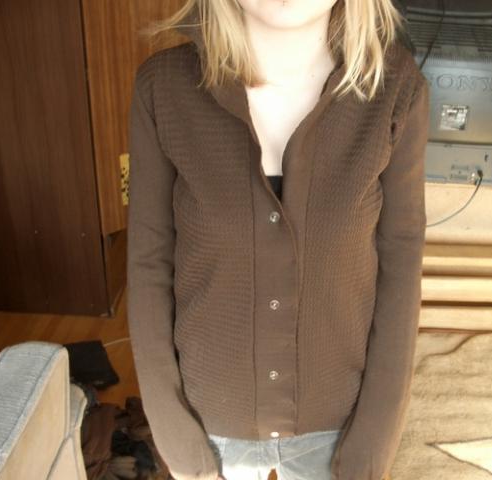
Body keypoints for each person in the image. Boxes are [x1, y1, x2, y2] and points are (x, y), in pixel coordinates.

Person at [126, 1, 429, 479]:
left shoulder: (395, 86)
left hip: (340, 423)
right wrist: (175, 437)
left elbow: (401, 268)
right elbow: (147, 264)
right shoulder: (162, 87)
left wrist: (373, 443)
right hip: (208, 423)